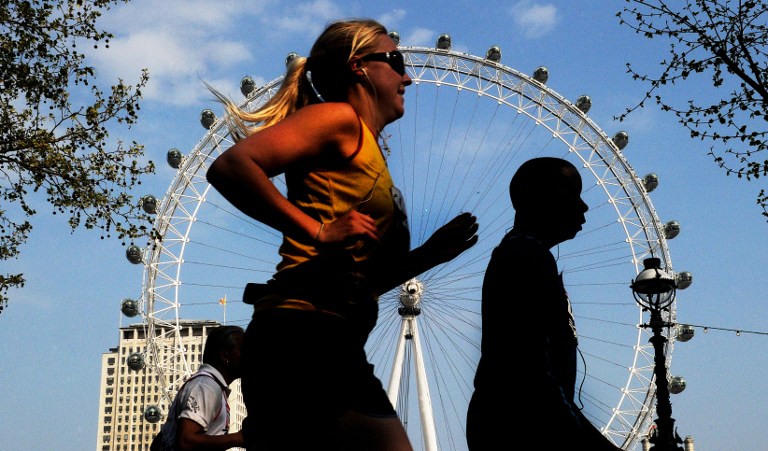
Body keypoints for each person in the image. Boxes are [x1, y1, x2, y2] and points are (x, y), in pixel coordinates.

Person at [205, 18, 479, 451]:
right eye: (395, 60)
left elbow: (358, 282)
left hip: (325, 336)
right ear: (359, 66)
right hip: (305, 333)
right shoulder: (340, 120)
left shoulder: (368, 150)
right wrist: (316, 230)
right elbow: (231, 167)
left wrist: (427, 256)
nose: (407, 76)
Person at [466, 157, 623, 451]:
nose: (583, 206)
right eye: (572, 193)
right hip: (521, 425)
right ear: (538, 198)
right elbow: (531, 372)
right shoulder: (526, 257)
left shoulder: (523, 252)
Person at [152, 325, 245, 451]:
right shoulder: (207, 387)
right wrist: (237, 438)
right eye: (243, 350)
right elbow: (186, 441)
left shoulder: (209, 386)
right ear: (225, 355)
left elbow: (158, 442)